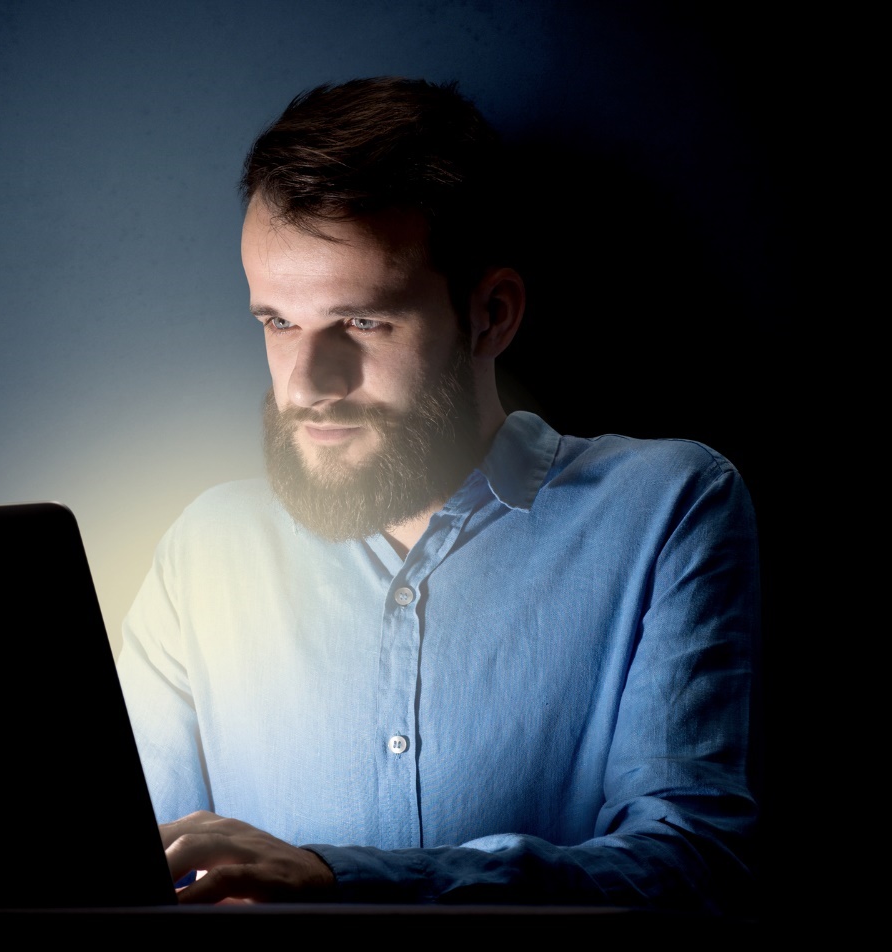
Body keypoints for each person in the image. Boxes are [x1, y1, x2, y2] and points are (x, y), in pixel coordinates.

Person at [115, 77, 759, 913]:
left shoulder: (668, 508)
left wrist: (340, 879)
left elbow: (691, 865)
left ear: (491, 314)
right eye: (276, 323)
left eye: (362, 322)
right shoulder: (204, 550)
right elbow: (130, 873)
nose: (307, 383)